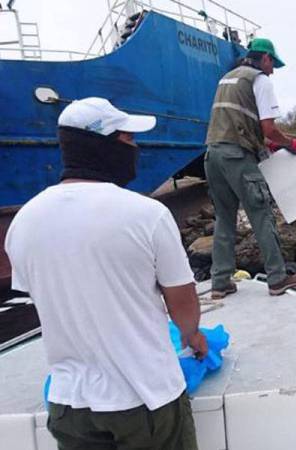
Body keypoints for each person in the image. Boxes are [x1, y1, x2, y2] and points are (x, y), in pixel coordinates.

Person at [5, 97, 206, 450]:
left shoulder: (23, 223)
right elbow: (182, 301)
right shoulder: (146, 214)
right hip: (145, 399)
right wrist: (191, 335)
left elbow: (49, 299)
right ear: (103, 145)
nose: (135, 148)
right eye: (128, 140)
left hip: (70, 405)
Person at [205, 38, 296, 299]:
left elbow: (241, 123)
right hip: (237, 156)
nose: (272, 71)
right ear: (266, 59)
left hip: (212, 155)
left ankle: (220, 282)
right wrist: (289, 144)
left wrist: (267, 145)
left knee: (224, 218)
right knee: (261, 214)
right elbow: (269, 128)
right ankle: (277, 278)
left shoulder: (228, 78)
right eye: (273, 65)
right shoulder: (260, 80)